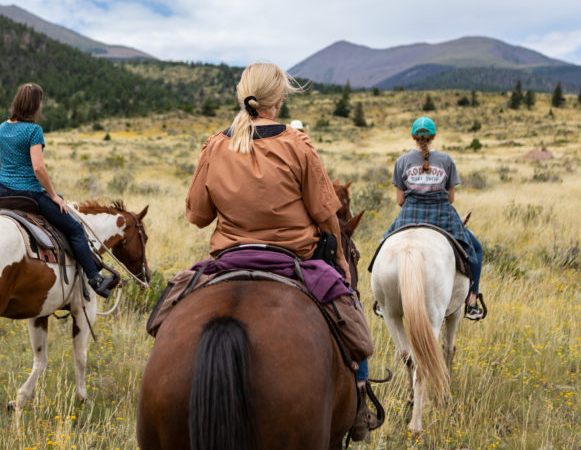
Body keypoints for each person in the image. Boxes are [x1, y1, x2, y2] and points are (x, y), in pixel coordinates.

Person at [184, 63, 378, 438]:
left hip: (228, 259)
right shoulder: (296, 143)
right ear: (279, 99)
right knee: (354, 328)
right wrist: (338, 255)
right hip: (294, 260)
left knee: (169, 309)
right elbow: (325, 212)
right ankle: (359, 406)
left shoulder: (215, 144)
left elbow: (196, 215)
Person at [0, 83, 117, 298]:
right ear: (34, 105)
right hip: (29, 195)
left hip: (3, 194)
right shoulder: (33, 130)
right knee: (75, 229)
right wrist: (52, 196)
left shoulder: (0, 129)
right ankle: (95, 278)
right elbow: (38, 167)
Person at [386, 116, 484, 319]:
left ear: (414, 137)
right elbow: (451, 198)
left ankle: (381, 299)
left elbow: (400, 201)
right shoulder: (446, 161)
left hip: (410, 213)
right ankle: (473, 300)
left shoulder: (402, 161)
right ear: (434, 136)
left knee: (384, 247)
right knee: (475, 249)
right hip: (442, 214)